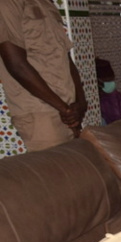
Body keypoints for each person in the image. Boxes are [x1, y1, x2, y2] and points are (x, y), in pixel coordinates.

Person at [0, 0, 87, 150]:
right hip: (40, 113)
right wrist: (64, 109)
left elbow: (65, 58)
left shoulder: (46, 2)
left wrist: (80, 101)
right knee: (54, 171)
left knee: (76, 170)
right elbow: (16, 65)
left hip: (68, 109)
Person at [95, 57, 121, 125]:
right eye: (106, 80)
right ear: (97, 82)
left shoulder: (119, 99)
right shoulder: (94, 102)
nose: (111, 83)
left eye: (111, 79)